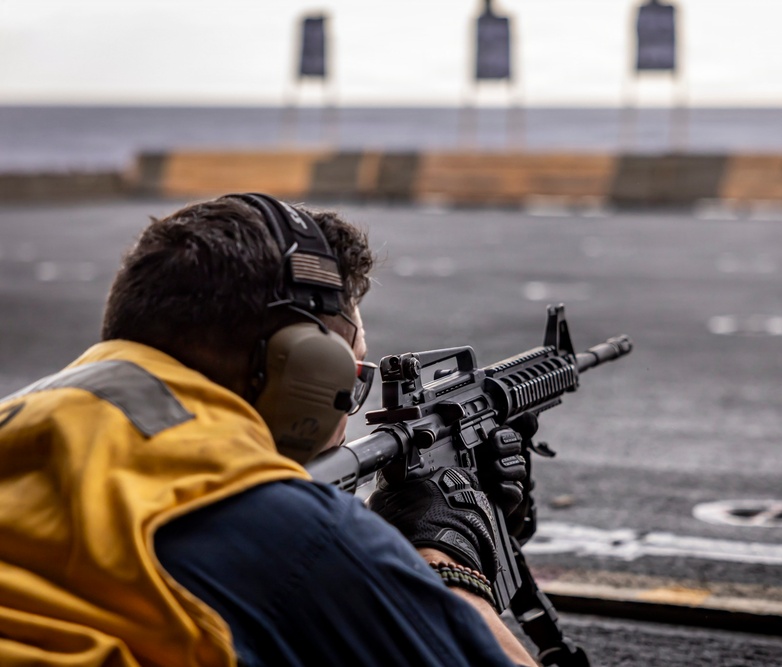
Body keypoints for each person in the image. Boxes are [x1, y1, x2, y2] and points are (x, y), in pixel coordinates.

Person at [0, 194, 537, 666]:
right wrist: (447, 557)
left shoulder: (25, 436)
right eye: (353, 374)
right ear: (308, 370)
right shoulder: (274, 520)